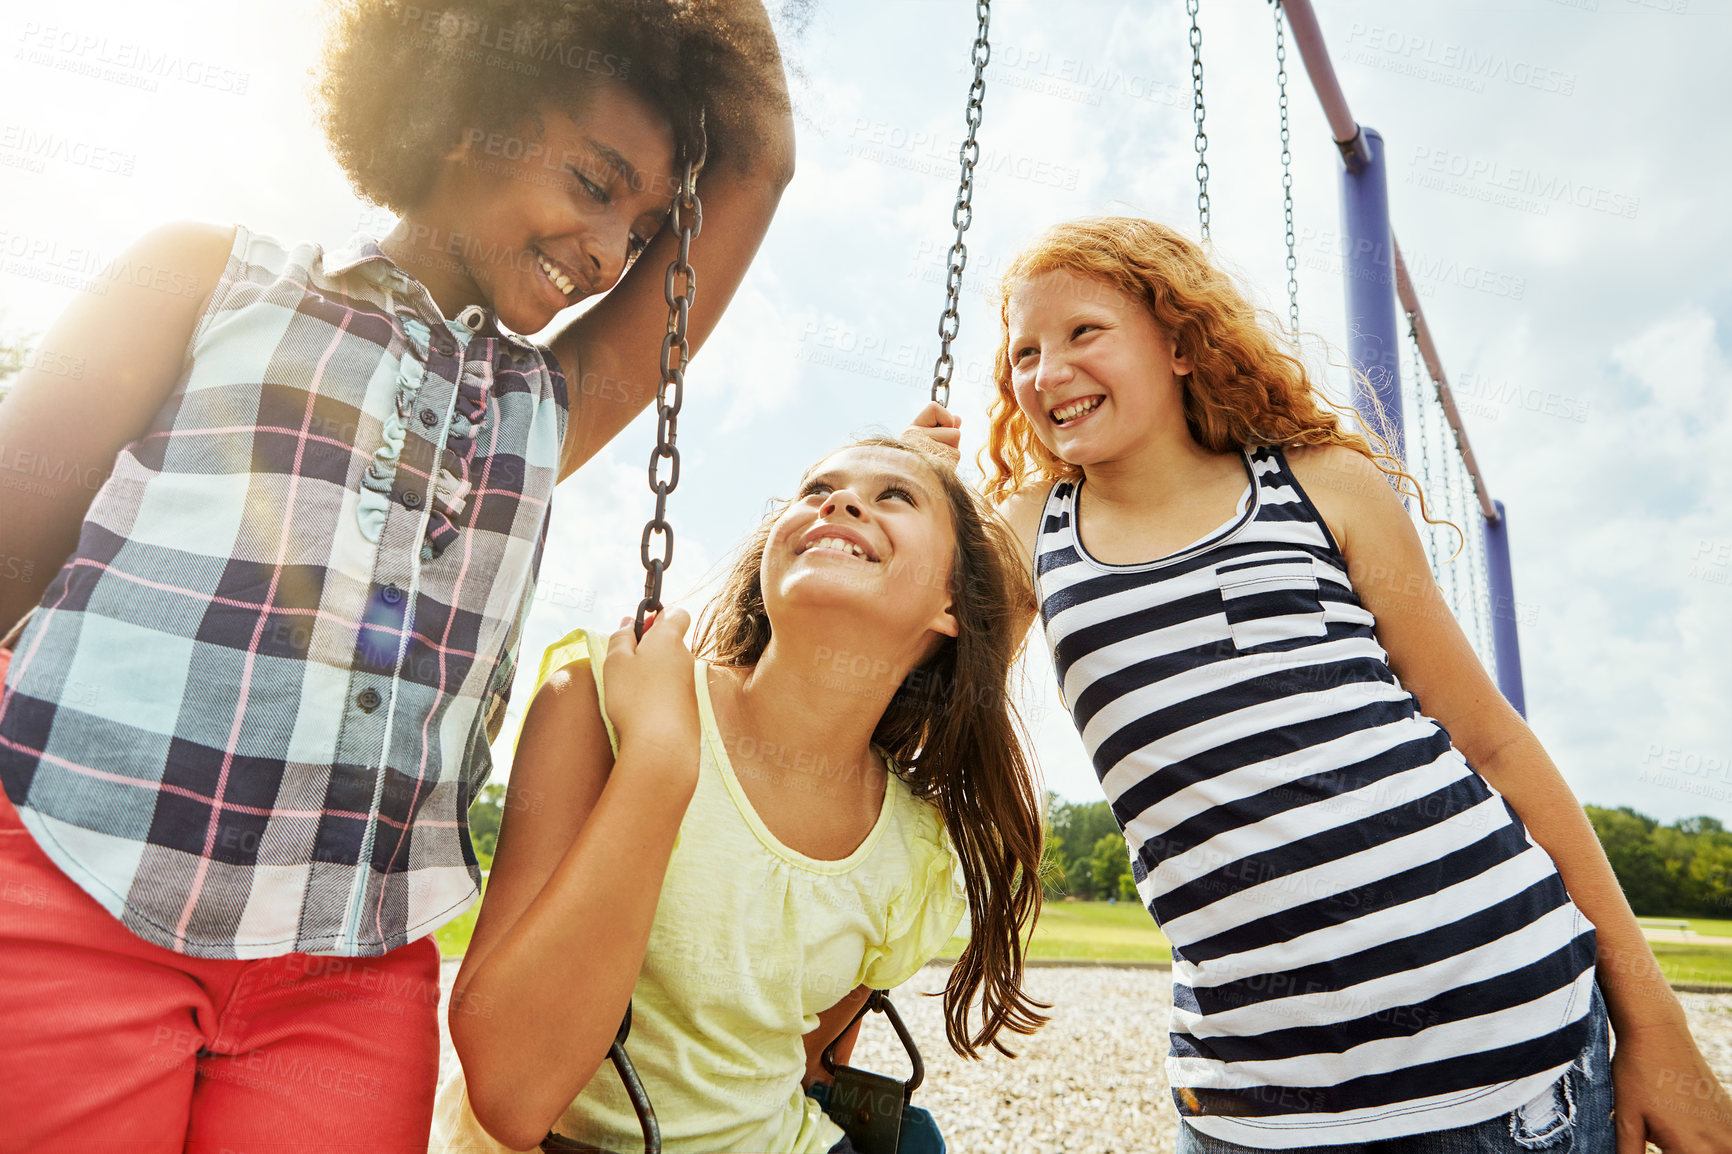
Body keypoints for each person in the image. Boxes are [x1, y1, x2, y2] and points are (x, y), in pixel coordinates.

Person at [0, 2, 794, 1149]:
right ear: (469, 117)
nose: (614, 254)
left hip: (349, 975)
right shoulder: (211, 281)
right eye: (591, 183)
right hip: (76, 882)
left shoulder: (544, 404)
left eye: (644, 224)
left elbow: (758, 161)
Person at [909, 215, 1732, 1153]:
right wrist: (925, 504)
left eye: (1083, 333)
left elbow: (1491, 741)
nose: (1045, 371)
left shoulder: (1320, 485)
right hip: (1258, 1098)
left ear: (1179, 342)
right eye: (1024, 352)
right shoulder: (1025, 534)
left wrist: (1657, 1027)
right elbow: (929, 708)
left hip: (1509, 1053)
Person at [432, 437, 1049, 1153]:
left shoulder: (909, 847)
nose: (840, 501)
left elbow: (812, 1064)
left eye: (893, 497)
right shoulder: (607, 697)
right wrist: (658, 763)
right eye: (817, 488)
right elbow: (512, 1092)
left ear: (951, 603)